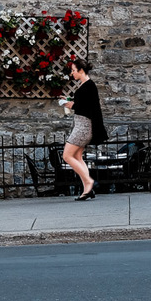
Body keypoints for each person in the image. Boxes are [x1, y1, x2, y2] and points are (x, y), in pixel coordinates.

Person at [61, 59, 105, 201]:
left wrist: (69, 104)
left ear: (81, 70)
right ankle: (88, 190)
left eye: (73, 70)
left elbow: (85, 108)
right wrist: (69, 101)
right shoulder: (85, 85)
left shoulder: (89, 86)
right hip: (82, 125)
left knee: (67, 156)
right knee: (78, 157)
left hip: (83, 127)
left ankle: (89, 181)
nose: (72, 73)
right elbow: (82, 104)